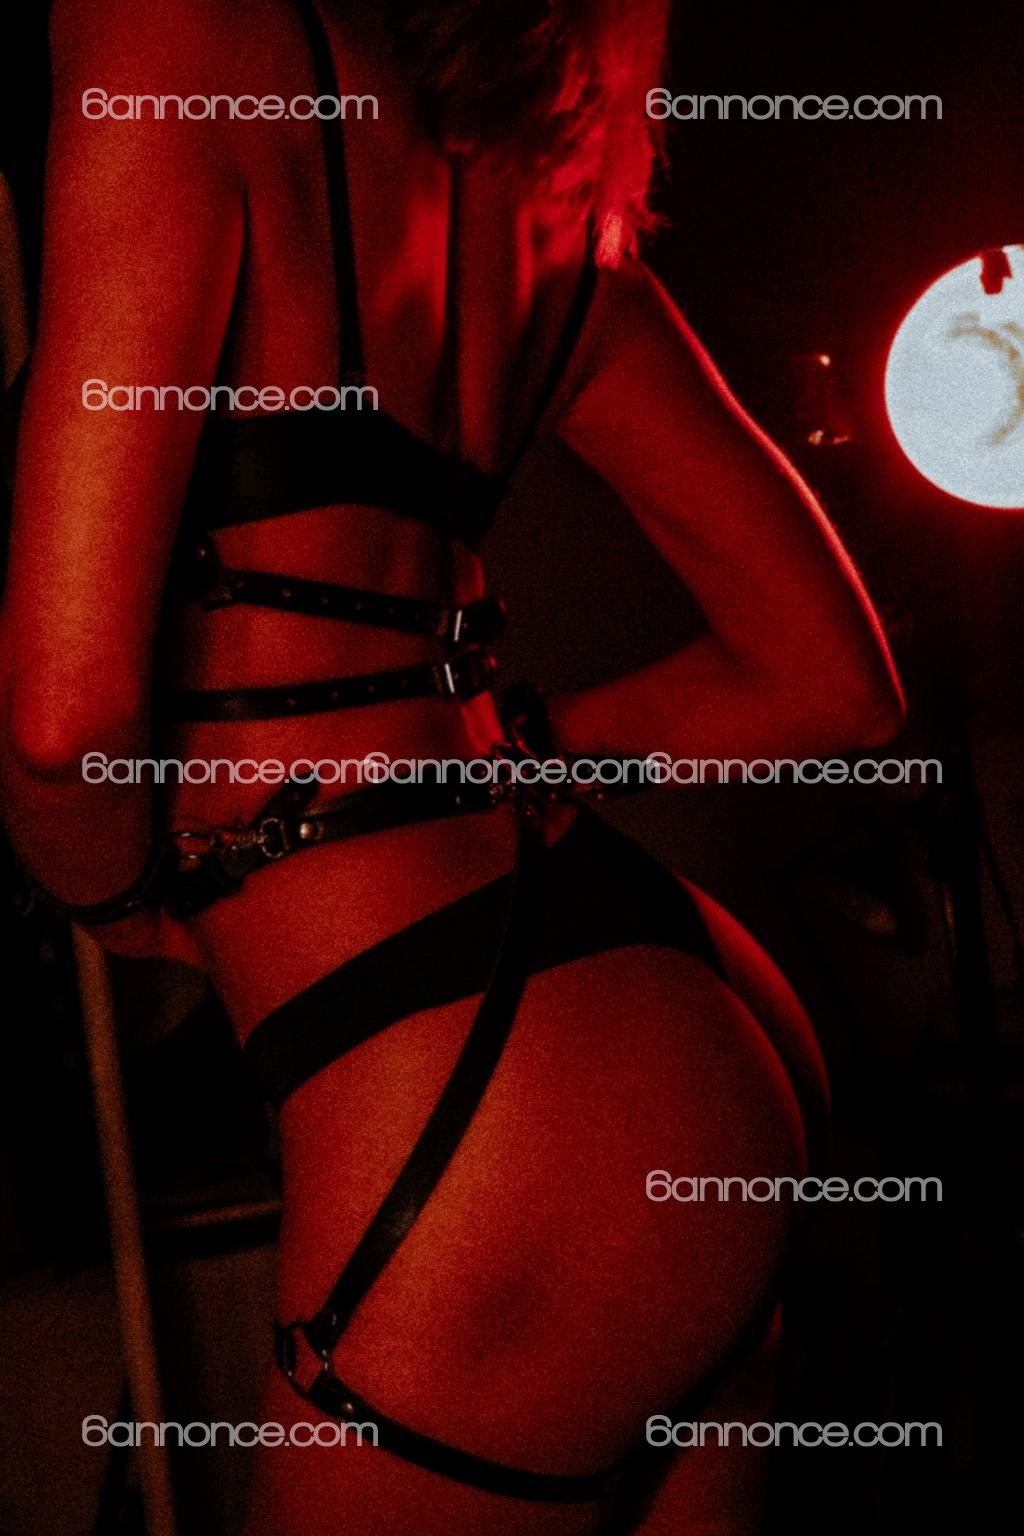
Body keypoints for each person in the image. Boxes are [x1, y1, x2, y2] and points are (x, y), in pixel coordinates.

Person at [0, 1, 904, 1531]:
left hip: (481, 1113)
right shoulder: (540, 204)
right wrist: (493, 749)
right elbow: (833, 685)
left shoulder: (170, 33)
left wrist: (125, 901)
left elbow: (58, 727)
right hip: (693, 1028)